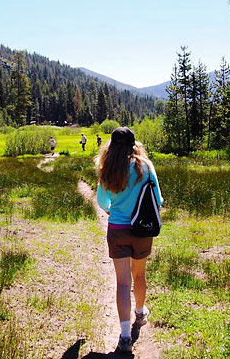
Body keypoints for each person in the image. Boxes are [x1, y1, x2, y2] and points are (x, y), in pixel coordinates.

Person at [96, 127, 163, 353]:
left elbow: (102, 201)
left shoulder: (108, 167)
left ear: (112, 145)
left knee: (123, 282)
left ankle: (125, 336)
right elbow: (159, 200)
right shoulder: (145, 166)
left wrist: (113, 210)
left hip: (117, 230)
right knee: (139, 275)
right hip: (142, 230)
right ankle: (140, 313)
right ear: (134, 144)